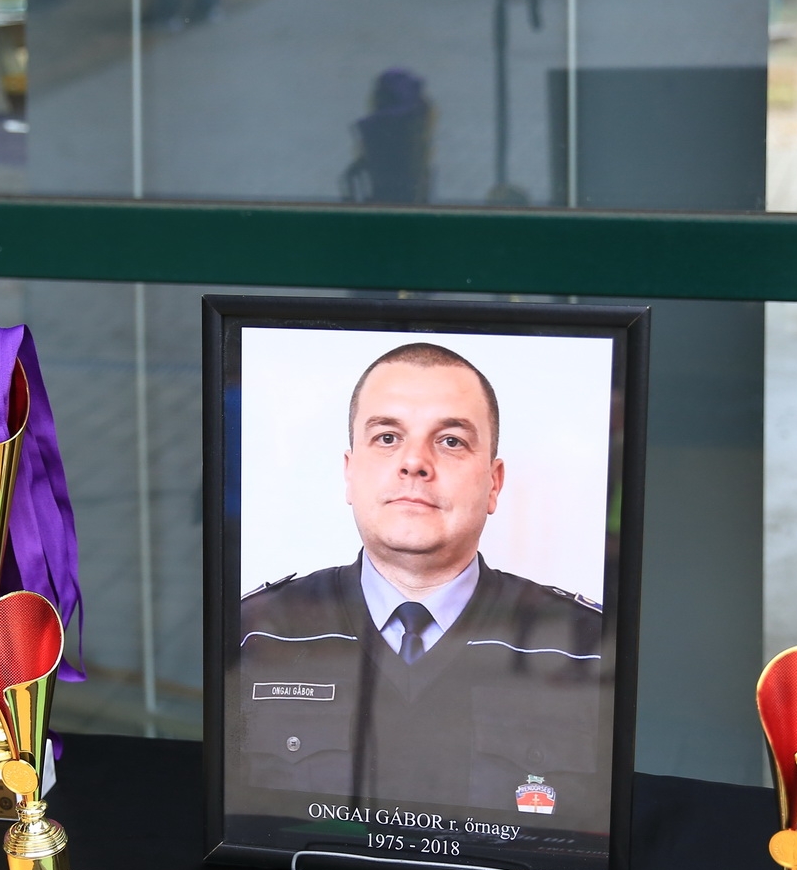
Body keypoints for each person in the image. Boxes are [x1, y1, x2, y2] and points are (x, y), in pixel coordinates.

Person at [237, 342, 607, 828]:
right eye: (387, 437)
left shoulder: (588, 646)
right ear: (349, 473)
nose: (414, 462)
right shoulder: (254, 633)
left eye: (450, 441)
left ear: (494, 483)